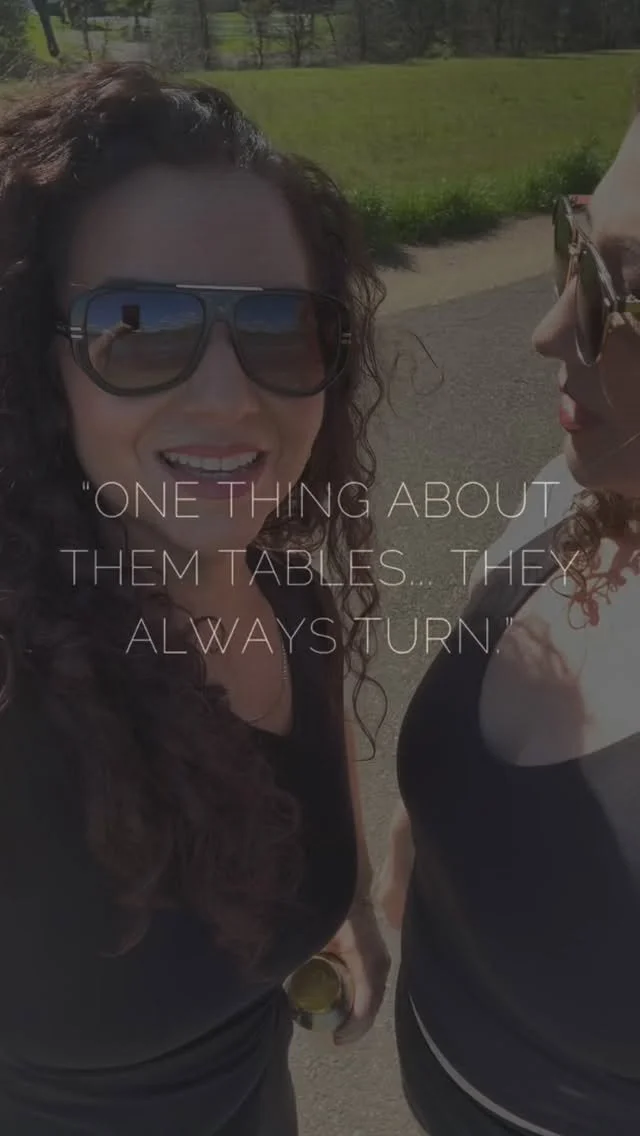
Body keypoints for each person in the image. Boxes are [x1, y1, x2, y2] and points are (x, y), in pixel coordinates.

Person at [0, 62, 390, 1135]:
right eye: (136, 325)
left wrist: (345, 905)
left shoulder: (291, 601)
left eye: (281, 329)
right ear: (37, 363)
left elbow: (311, 783)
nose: (229, 398)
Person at [380, 109, 640, 1136]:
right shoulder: (571, 494)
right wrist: (409, 856)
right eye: (574, 244)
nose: (550, 328)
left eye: (624, 288)